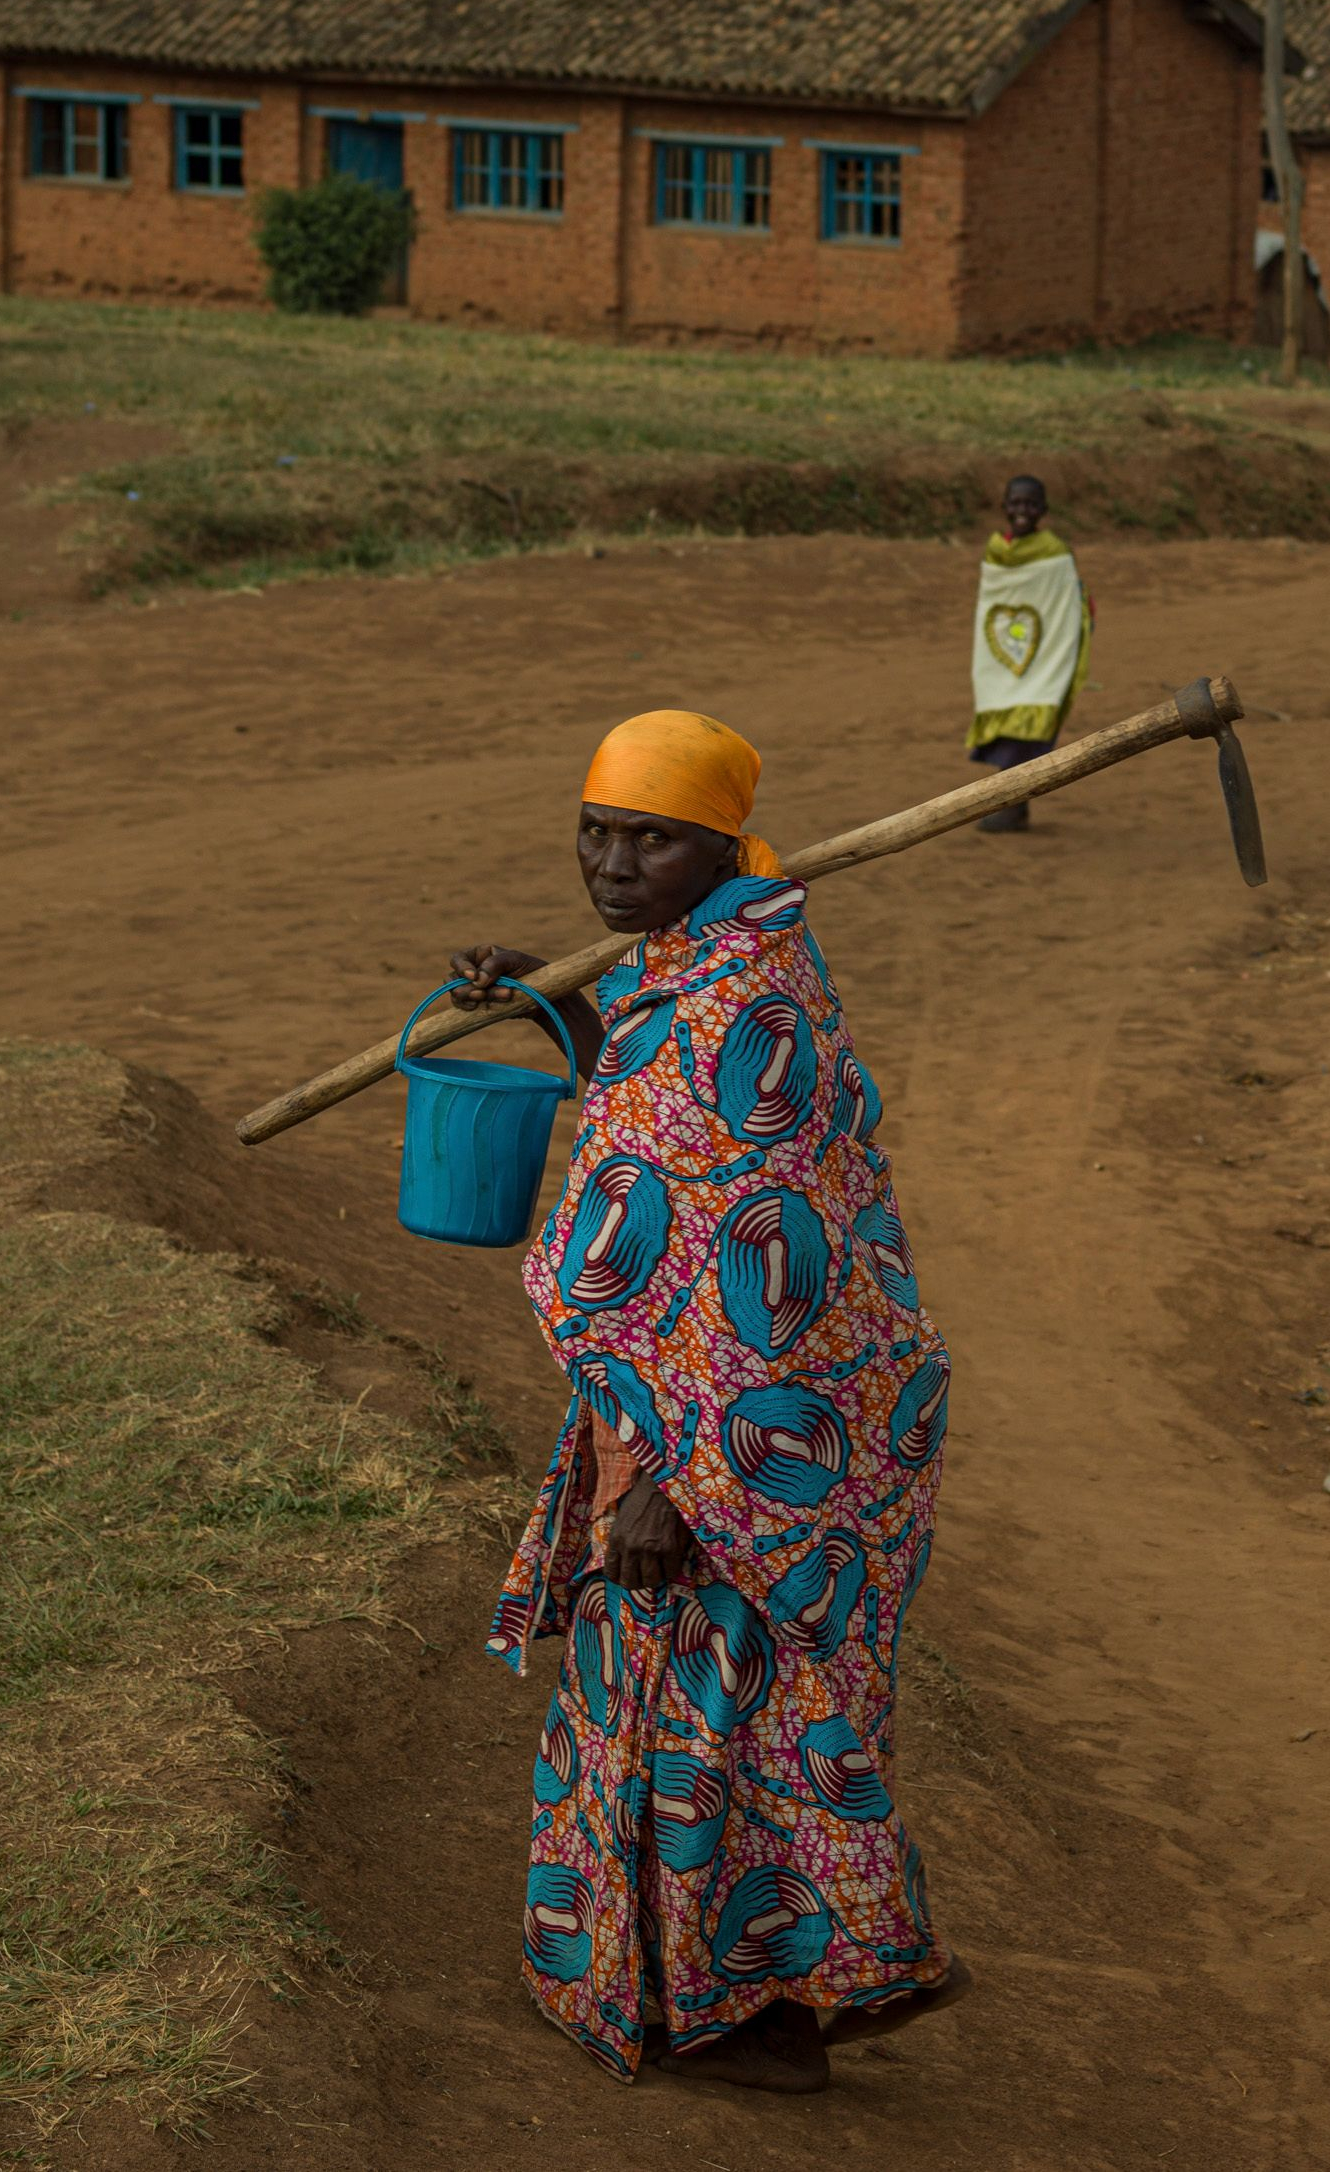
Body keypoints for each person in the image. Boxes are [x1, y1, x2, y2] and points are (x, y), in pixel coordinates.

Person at [443, 716, 959, 2092]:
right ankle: (718, 1989)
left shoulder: (750, 999)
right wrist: (552, 1006)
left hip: (741, 1450)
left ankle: (766, 2014)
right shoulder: (709, 960)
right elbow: (653, 1106)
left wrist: (675, 1481)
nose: (613, 866)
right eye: (596, 831)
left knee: (713, 1716)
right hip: (699, 1426)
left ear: (721, 846)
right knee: (696, 1710)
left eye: (651, 838)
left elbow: (765, 1273)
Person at [962, 473, 1085, 830]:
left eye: (1030, 504)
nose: (1022, 510)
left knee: (1024, 731)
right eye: (1016, 503)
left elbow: (1065, 599)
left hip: (1043, 657)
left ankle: (1014, 808)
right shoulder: (995, 549)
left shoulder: (1055, 552)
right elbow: (995, 599)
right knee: (1010, 729)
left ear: (1043, 510)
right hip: (1005, 655)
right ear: (1003, 507)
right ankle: (1015, 808)